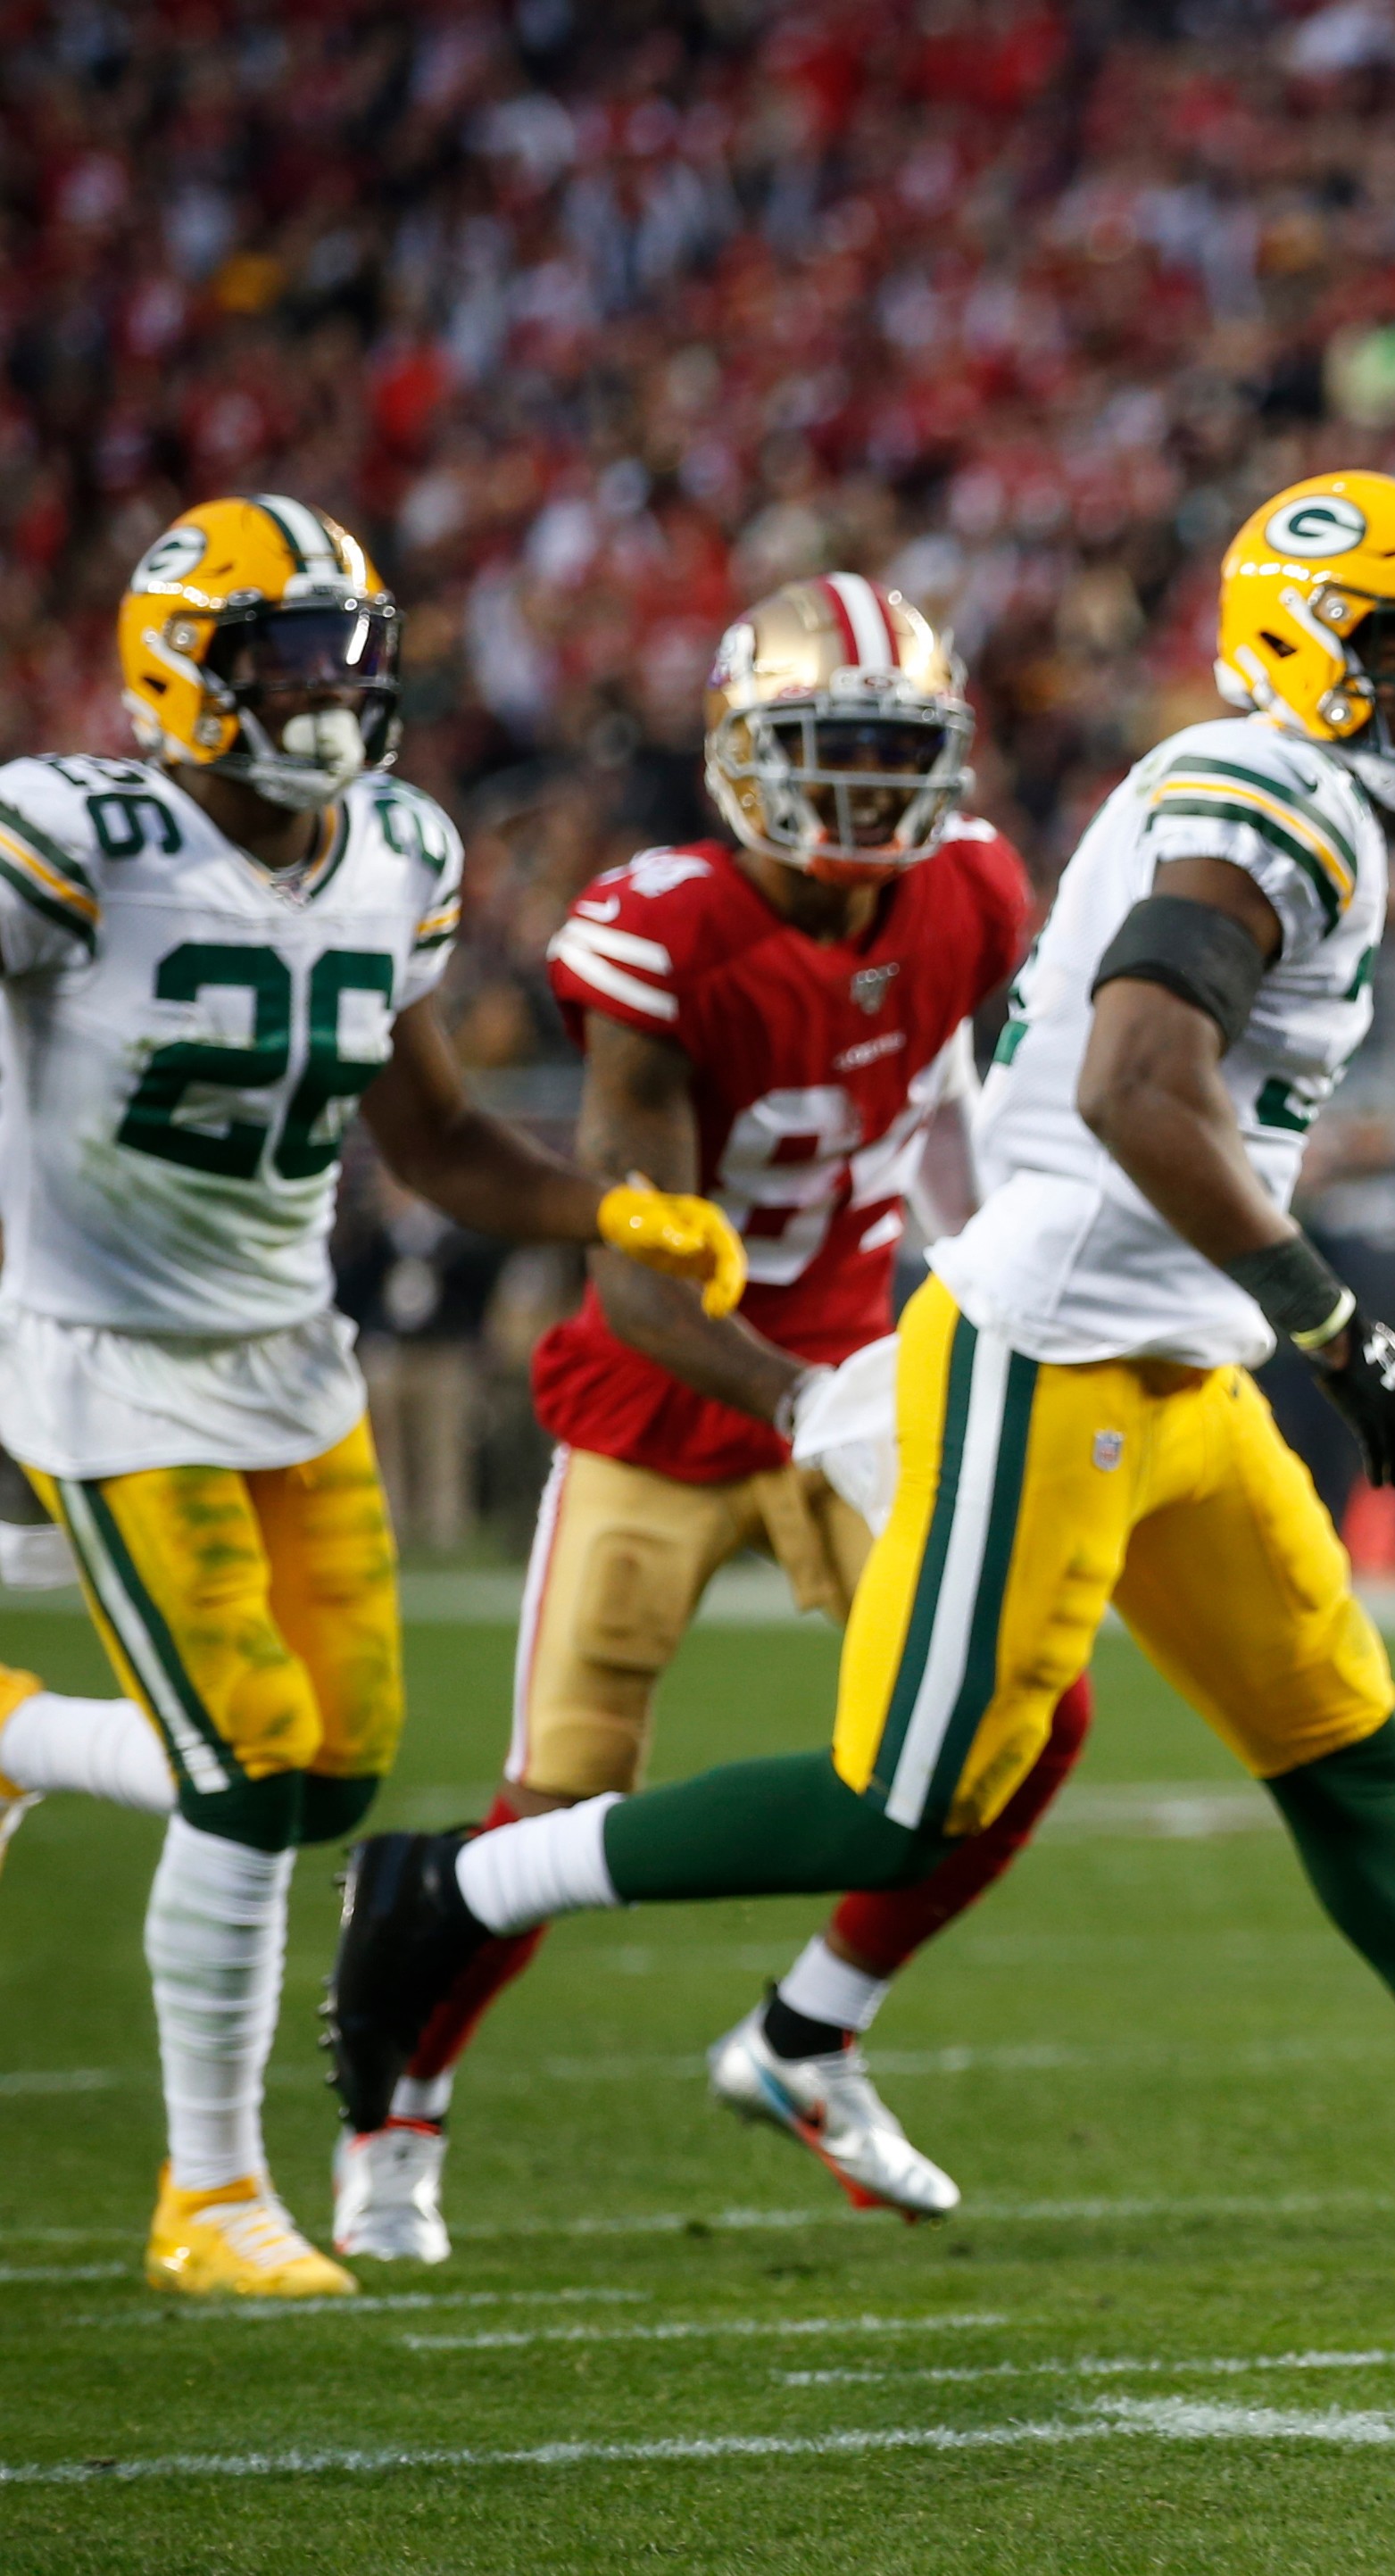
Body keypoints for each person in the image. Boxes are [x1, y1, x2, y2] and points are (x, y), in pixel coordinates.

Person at [329, 473, 1395, 2264]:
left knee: (1340, 1749)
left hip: (1169, 1353)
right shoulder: (1260, 796)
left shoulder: (1287, 790)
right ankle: (454, 1885)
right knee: (899, 1804)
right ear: (1296, 642)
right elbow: (1126, 1083)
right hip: (1058, 1347)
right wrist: (1326, 1316)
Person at [0, 494, 742, 2295]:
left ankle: (17, 1735)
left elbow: (429, 1137)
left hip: (290, 1357)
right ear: (187, 672)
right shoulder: (69, 834)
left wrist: (609, 1209)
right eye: (288, 655)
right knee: (248, 1752)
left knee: (334, 1766)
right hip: (105, 1364)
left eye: (350, 649)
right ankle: (208, 2192)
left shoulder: (392, 847)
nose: (333, 687)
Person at [329, 576, 1051, 2265]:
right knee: (557, 1795)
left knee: (1022, 1712)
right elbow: (642, 1267)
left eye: (899, 751)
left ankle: (813, 2034)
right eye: (831, 749)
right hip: (673, 1397)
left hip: (856, 1375)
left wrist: (972, 1306)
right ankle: (395, 2122)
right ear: (741, 754)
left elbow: (944, 1114)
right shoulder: (662, 930)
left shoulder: (974, 893)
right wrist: (820, 1396)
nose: (871, 788)